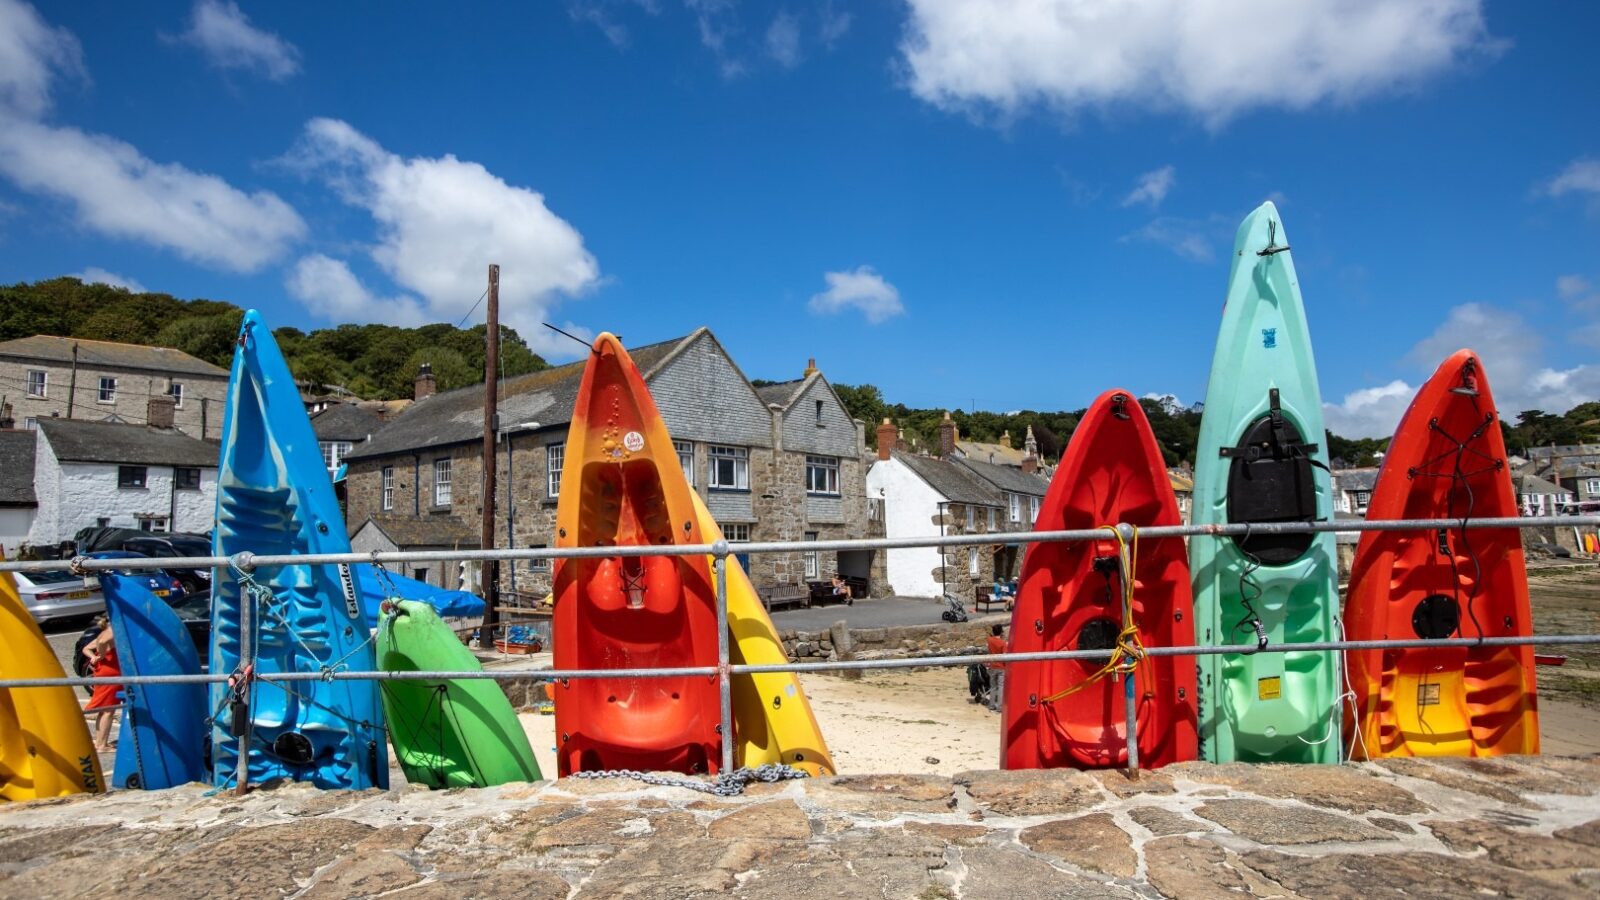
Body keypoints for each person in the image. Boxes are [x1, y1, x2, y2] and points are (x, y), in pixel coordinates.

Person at [82, 620, 122, 752]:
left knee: (104, 710)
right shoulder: (111, 631)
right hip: (110, 674)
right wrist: (102, 655)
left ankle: (100, 742)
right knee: (108, 711)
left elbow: (86, 648)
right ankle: (101, 745)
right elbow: (102, 642)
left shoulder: (104, 632)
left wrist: (94, 656)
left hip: (104, 672)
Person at [985, 624, 1007, 712]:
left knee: (993, 686)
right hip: (1001, 667)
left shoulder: (989, 640)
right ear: (1001, 632)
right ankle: (1000, 707)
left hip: (992, 665)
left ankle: (991, 705)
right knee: (1001, 687)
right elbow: (1005, 656)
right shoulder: (1002, 643)